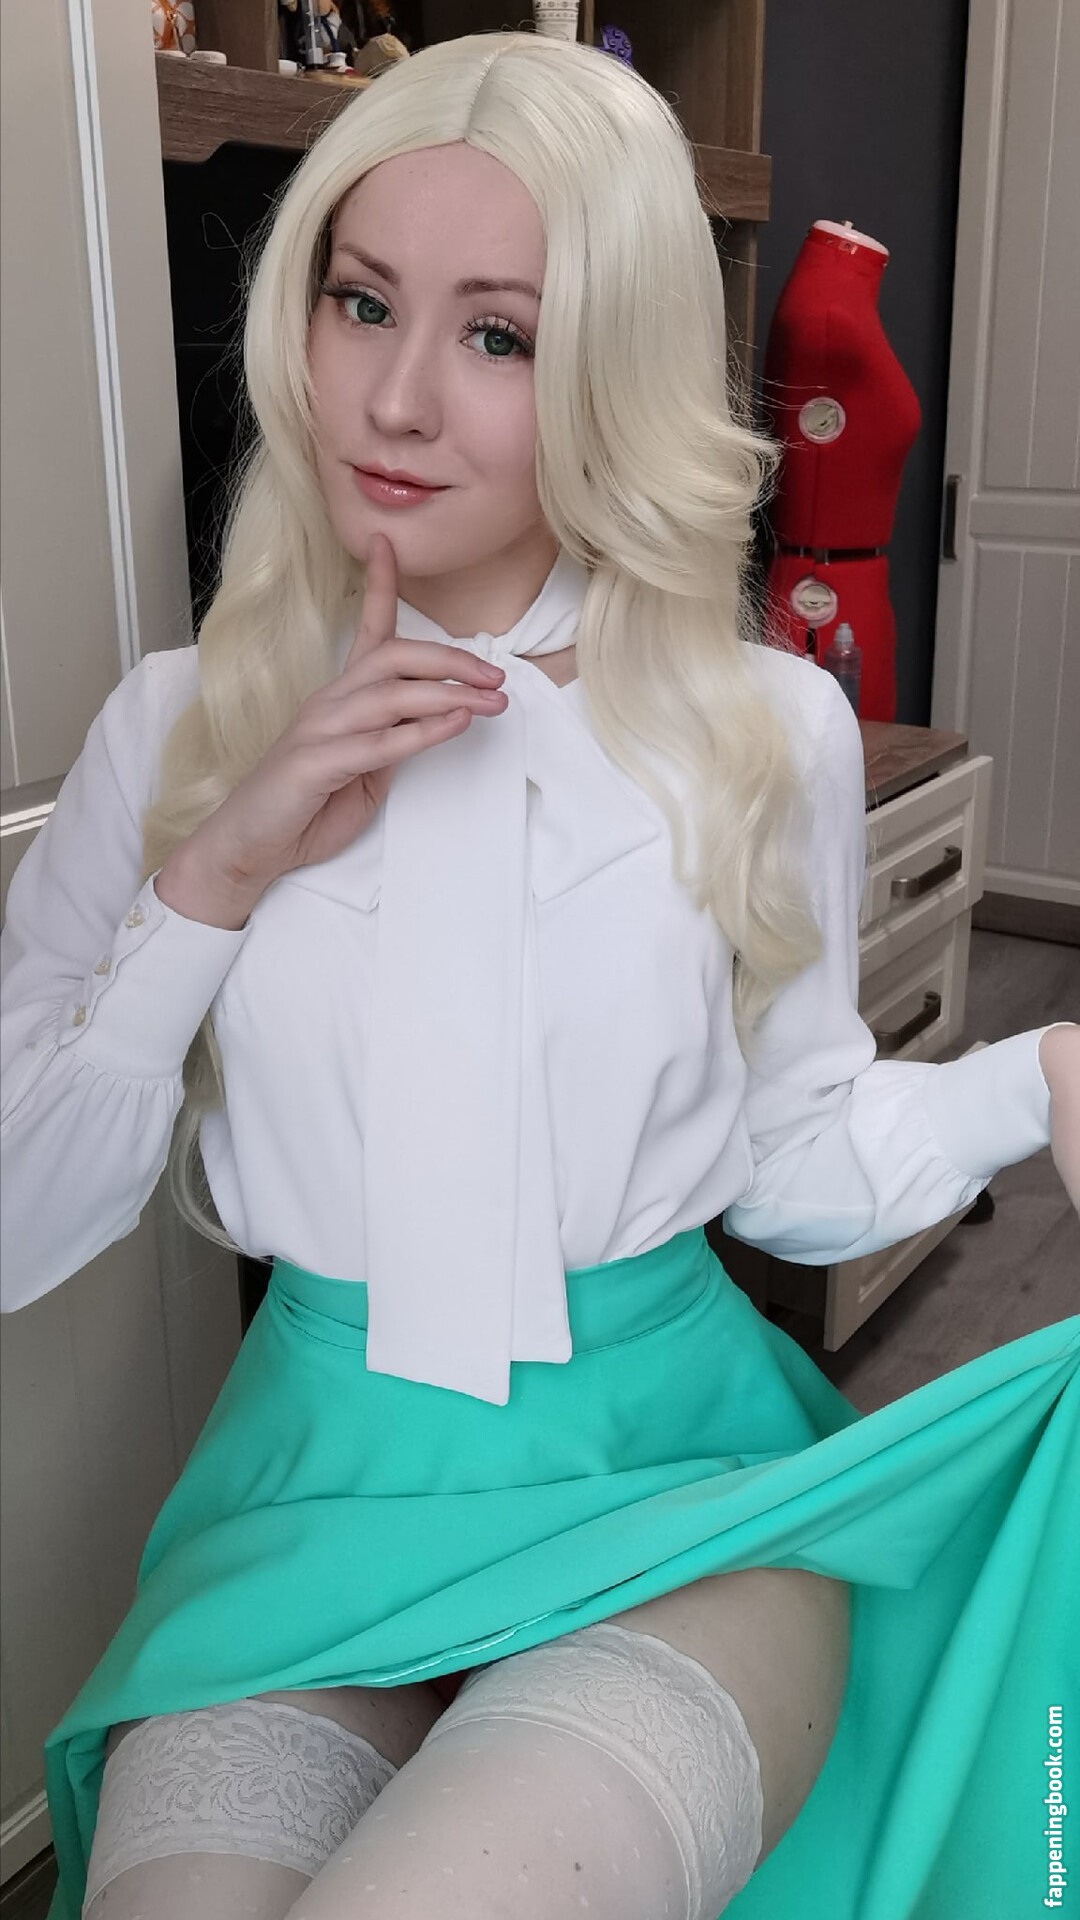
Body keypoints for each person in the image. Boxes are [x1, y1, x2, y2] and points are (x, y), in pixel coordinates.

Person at [1, 29, 1076, 1920]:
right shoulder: (177, 727)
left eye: (498, 335)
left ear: (609, 372)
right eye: (362, 302)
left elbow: (791, 1157)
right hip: (309, 1499)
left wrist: (1036, 1077)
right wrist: (221, 875)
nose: (397, 398)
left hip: (675, 1497)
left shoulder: (760, 727)